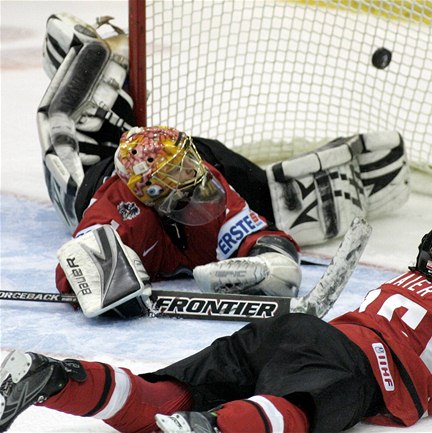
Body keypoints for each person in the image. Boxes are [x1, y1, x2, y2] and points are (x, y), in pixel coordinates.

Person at [1, 219, 432, 433]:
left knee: (165, 395)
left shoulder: (392, 285)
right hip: (350, 364)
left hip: (286, 332)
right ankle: (214, 430)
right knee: (294, 411)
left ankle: (55, 378)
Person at [37, 13, 410, 318]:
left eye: (186, 162)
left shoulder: (203, 183)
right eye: (178, 169)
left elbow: (263, 237)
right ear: (151, 190)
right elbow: (73, 270)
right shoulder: (118, 215)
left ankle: (260, 184)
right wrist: (108, 276)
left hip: (143, 171)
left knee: (211, 154)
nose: (193, 170)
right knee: (60, 132)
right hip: (94, 181)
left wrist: (269, 263)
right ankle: (91, 59)